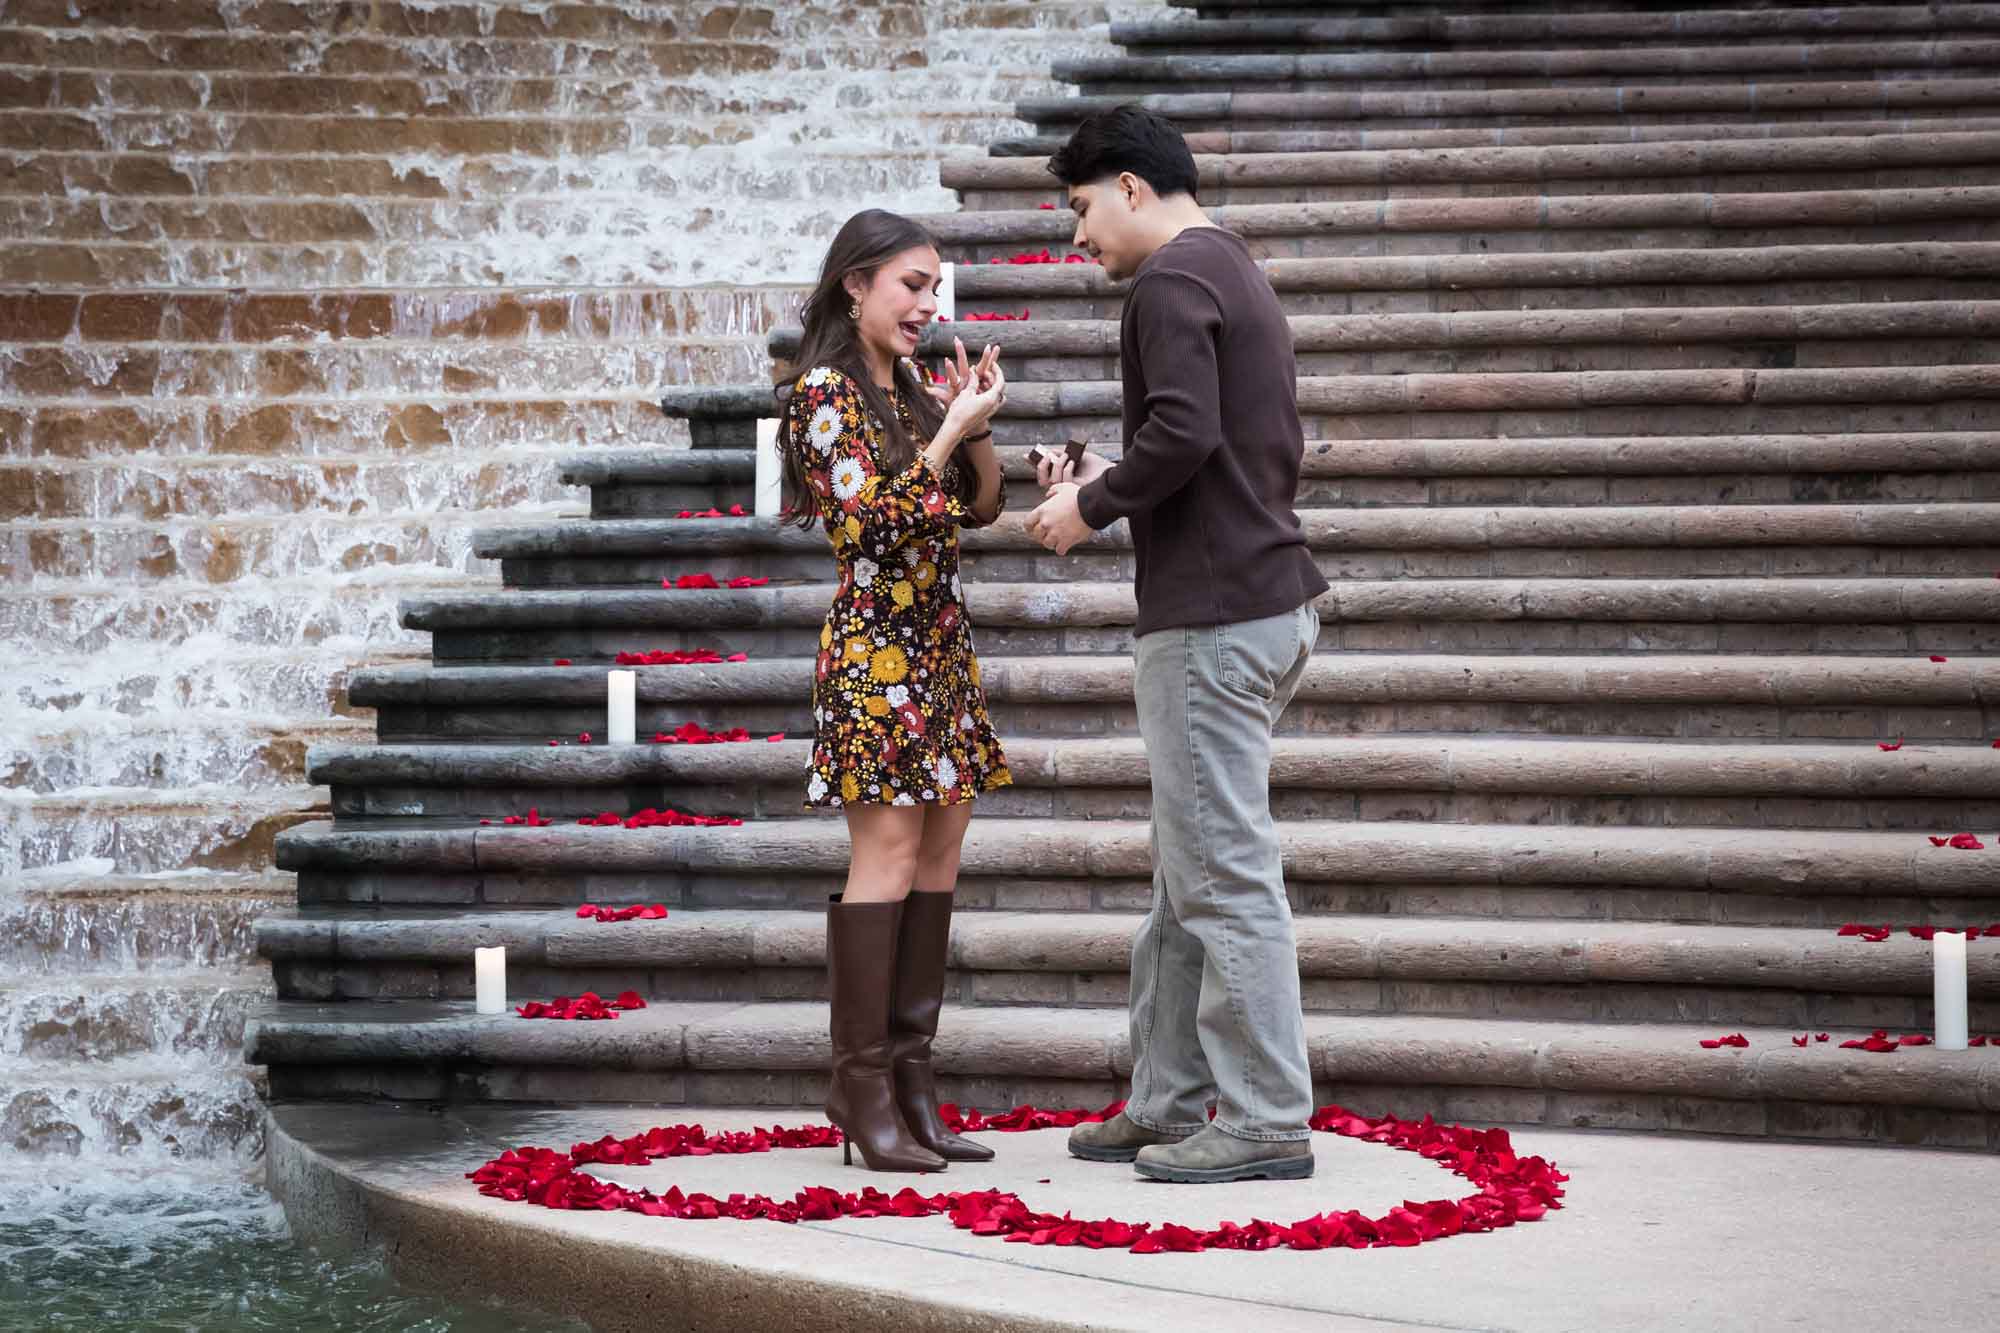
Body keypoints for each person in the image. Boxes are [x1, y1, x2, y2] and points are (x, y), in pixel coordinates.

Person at [1028, 108, 1329, 1184]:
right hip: (1262, 600)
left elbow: (1184, 434)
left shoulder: (1167, 281)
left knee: (1220, 875)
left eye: (1079, 209)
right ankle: (1164, 1099)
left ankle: (1261, 1119)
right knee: (1184, 872)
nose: (1076, 238)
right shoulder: (1227, 267)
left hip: (1211, 620)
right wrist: (1101, 479)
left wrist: (1088, 506)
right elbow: (1207, 439)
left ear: (1131, 187)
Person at [778, 208, 1014, 1172]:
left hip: (941, 650)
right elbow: (875, 526)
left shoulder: (912, 389)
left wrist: (976, 425)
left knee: (942, 848)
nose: (929, 303)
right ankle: (861, 1083)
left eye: (935, 287)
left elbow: (977, 505)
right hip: (876, 656)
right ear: (856, 286)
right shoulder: (820, 395)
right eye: (911, 284)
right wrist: (947, 429)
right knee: (888, 851)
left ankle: (913, 1079)